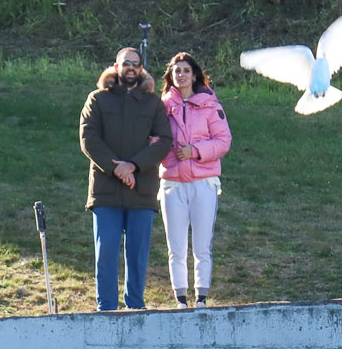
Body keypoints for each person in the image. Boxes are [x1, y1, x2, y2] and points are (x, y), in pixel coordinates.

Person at [79, 44, 174, 312]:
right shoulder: (97, 99)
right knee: (106, 252)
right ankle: (106, 308)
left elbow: (164, 141)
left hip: (141, 190)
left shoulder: (154, 104)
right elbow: (89, 139)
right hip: (106, 190)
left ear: (141, 68)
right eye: (126, 63)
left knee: (137, 254)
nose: (130, 67)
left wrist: (133, 165)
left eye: (135, 63)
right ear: (116, 66)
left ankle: (135, 307)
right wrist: (117, 168)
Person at [158, 51, 232, 307]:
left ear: (194, 74)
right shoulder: (163, 106)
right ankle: (180, 297)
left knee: (202, 245)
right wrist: (169, 156)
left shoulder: (211, 105)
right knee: (175, 245)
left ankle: (201, 296)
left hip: (204, 181)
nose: (181, 75)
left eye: (186, 71)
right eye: (176, 71)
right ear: (171, 75)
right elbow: (155, 139)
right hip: (173, 182)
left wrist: (196, 151)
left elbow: (223, 141)